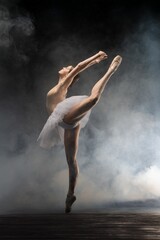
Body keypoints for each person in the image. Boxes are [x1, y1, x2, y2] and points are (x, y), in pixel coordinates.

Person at [37, 51, 122, 213]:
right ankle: (70, 195)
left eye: (67, 68)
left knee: (93, 99)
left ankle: (111, 70)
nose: (65, 67)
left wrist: (96, 56)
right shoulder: (61, 85)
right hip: (65, 121)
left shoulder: (63, 84)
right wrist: (95, 61)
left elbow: (78, 67)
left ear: (68, 76)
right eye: (67, 67)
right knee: (71, 161)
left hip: (68, 117)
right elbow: (78, 68)